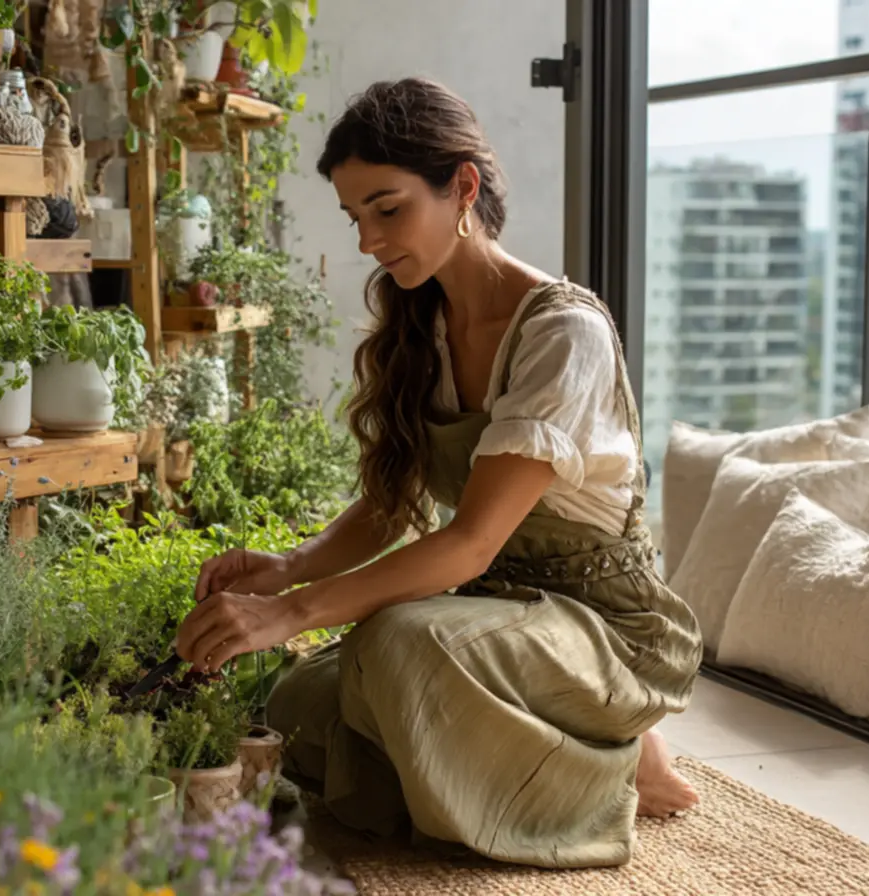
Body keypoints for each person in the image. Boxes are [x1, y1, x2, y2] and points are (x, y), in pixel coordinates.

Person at [174, 78, 703, 868]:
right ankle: (553, 739)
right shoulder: (422, 320)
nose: (369, 241)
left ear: (462, 186)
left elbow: (469, 543)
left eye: (388, 209)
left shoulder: (563, 334)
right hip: (498, 612)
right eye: (357, 218)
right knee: (297, 705)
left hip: (605, 626)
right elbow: (394, 504)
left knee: (394, 648)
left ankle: (614, 761)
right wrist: (289, 568)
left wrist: (291, 613)